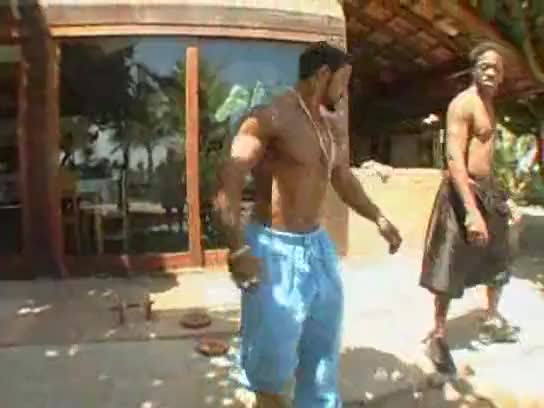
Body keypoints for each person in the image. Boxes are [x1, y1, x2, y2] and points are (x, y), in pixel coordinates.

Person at [214, 42, 402, 407]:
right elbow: (231, 176)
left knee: (322, 347)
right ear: (323, 75)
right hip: (274, 249)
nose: (345, 92)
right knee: (271, 360)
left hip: (317, 248)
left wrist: (377, 216)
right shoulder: (271, 116)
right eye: (343, 81)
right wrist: (237, 248)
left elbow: (342, 178)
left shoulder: (329, 127)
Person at [420, 42, 519, 375]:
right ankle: (438, 335)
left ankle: (491, 317)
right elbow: (454, 159)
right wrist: (471, 211)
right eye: (485, 66)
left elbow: (486, 157)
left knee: (499, 258)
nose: (491, 72)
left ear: (502, 76)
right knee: (448, 267)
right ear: (474, 69)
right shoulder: (462, 104)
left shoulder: (490, 105)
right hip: (461, 193)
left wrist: (504, 198)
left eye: (497, 68)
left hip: (488, 191)